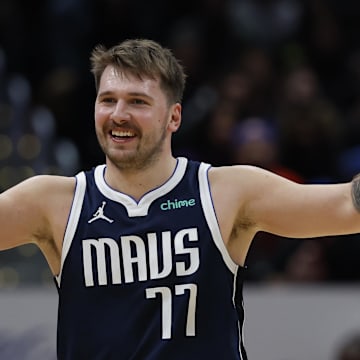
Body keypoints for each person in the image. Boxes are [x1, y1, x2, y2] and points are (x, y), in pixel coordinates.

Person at [1, 38, 360, 360]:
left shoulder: (224, 192)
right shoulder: (54, 201)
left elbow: (347, 206)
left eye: (137, 102)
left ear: (173, 117)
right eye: (107, 100)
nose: (118, 114)